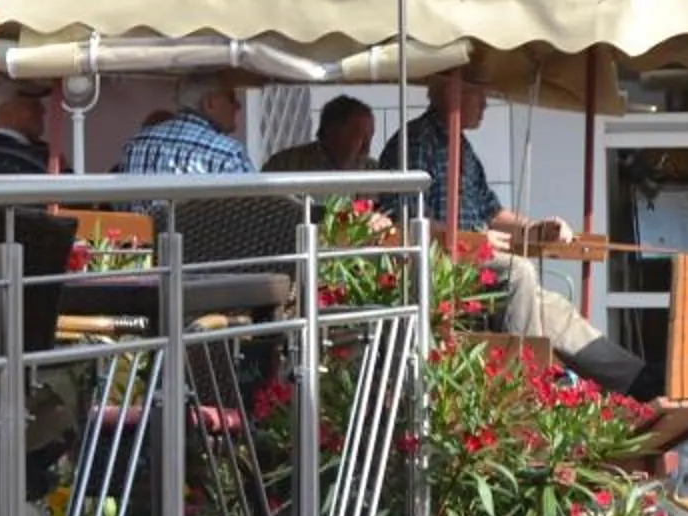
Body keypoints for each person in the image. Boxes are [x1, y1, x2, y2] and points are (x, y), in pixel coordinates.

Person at [385, 75, 646, 395]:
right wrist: (470, 240)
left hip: (475, 264)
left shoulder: (461, 146)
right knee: (519, 272)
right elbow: (405, 219)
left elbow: (492, 211)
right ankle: (528, 385)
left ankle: (638, 383)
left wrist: (534, 228)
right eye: (478, 96)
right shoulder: (417, 142)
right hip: (438, 271)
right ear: (452, 94)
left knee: (553, 307)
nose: (484, 106)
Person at [116, 73, 255, 177]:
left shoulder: (136, 145)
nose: (238, 106)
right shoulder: (228, 153)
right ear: (210, 102)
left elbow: (120, 207)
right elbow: (255, 209)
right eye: (231, 98)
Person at [262, 94, 376, 175]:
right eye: (359, 137)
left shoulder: (377, 172)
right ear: (332, 132)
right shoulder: (284, 167)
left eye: (369, 138)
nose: (366, 149)